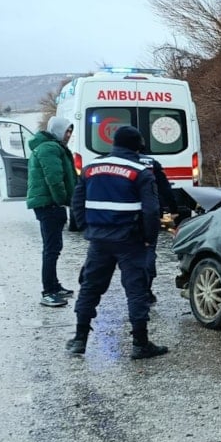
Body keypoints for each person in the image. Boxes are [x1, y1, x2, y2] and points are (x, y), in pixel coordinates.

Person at [65, 125, 168, 359]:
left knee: (90, 288)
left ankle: (80, 339)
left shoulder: (91, 168)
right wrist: (148, 240)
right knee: (136, 290)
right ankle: (140, 343)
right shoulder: (140, 171)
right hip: (130, 240)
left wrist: (87, 228)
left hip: (99, 240)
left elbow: (77, 202)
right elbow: (151, 211)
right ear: (137, 146)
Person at [27, 116, 77, 307]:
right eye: (67, 131)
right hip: (49, 205)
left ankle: (54, 286)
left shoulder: (51, 146)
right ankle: (48, 291)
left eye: (70, 131)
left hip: (49, 204)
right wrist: (62, 201)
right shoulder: (49, 148)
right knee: (51, 249)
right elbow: (54, 179)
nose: (69, 134)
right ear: (58, 130)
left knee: (54, 248)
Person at [138, 141, 179, 306]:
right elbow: (165, 188)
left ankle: (135, 290)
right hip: (150, 214)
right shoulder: (151, 164)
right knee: (148, 250)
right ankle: (146, 290)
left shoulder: (119, 163)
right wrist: (174, 209)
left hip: (126, 216)